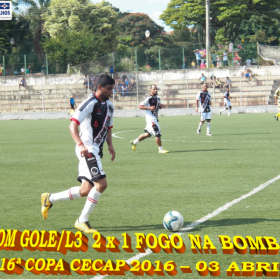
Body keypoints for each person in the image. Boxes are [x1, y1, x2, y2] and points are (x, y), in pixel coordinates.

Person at [41, 74, 116, 234]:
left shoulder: (110, 106)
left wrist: (110, 145)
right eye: (109, 89)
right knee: (101, 185)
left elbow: (108, 128)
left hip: (96, 150)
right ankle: (82, 220)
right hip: (87, 149)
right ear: (100, 87)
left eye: (112, 89)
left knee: (85, 190)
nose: (112, 92)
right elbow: (72, 125)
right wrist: (81, 145)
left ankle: (50, 198)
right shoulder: (89, 103)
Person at [130, 85, 169, 154]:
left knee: (148, 134)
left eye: (156, 89)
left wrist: (160, 106)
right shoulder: (148, 98)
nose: (155, 90)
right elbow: (140, 106)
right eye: (154, 89)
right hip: (151, 119)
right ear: (150, 90)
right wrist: (149, 108)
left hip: (155, 118)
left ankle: (134, 142)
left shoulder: (158, 97)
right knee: (157, 133)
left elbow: (158, 106)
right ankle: (161, 149)